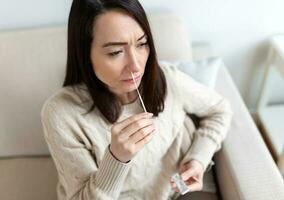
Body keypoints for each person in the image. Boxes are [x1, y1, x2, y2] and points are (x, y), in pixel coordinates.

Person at [40, 0, 233, 199]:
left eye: (142, 44)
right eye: (116, 52)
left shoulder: (169, 80)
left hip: (179, 190)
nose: (136, 66)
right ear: (84, 54)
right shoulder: (61, 113)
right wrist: (116, 158)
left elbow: (220, 110)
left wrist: (198, 159)